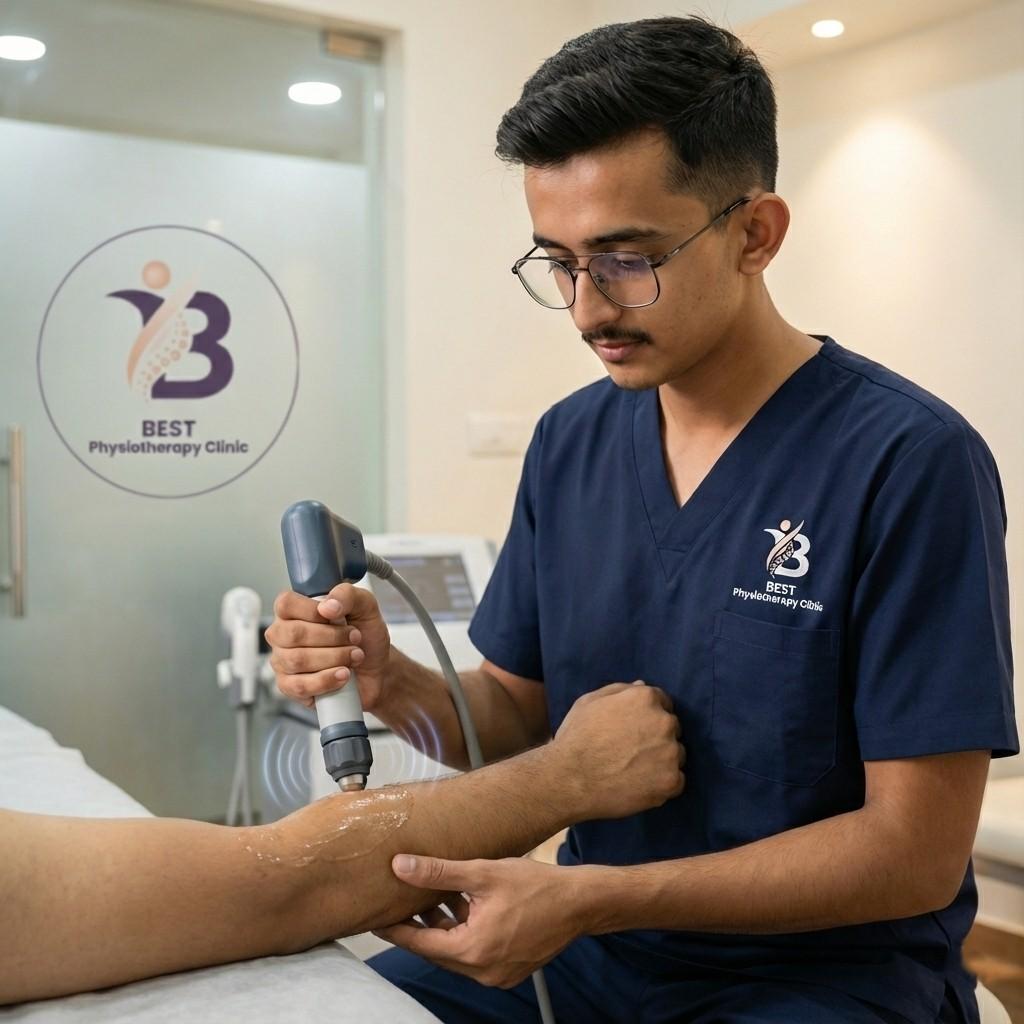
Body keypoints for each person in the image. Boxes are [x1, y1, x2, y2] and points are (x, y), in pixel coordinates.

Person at [267, 15, 1018, 1024]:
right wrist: (389, 678)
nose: (585, 310)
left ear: (755, 233)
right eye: (559, 263)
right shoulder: (571, 443)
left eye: (625, 259)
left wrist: (589, 896)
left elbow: (913, 857)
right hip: (588, 956)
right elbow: (515, 719)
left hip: (815, 981)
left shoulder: (904, 461)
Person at [0, 682, 684, 1006]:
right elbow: (296, 880)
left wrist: (388, 679)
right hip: (593, 956)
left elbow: (299, 877)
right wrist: (568, 778)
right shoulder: (574, 444)